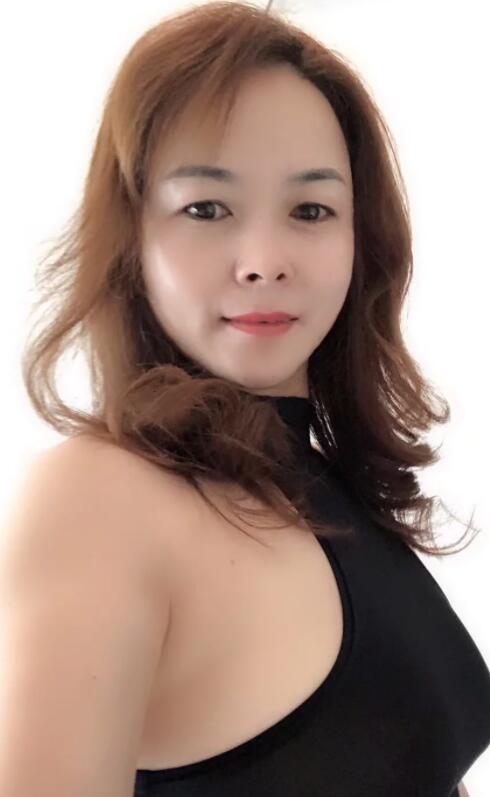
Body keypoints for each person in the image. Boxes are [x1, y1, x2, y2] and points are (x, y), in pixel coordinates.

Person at [2, 2, 488, 796]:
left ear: (360, 239)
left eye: (311, 210)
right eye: (206, 208)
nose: (264, 259)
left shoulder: (338, 491)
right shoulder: (99, 499)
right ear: (131, 237)